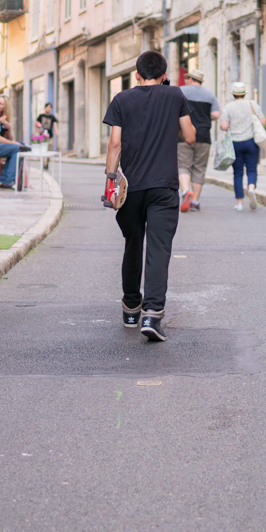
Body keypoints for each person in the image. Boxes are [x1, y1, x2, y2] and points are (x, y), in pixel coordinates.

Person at [103, 50, 196, 341]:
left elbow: (115, 143)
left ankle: (131, 307)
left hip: (131, 187)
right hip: (163, 187)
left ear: (137, 74)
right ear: (164, 75)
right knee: (158, 248)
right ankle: (152, 317)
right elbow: (190, 136)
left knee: (133, 243)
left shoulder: (122, 99)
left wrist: (110, 181)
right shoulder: (175, 95)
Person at [176, 70, 221, 212]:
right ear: (200, 81)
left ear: (190, 79)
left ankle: (185, 192)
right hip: (203, 137)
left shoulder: (180, 91)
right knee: (199, 168)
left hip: (183, 136)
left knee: (183, 165)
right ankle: (195, 201)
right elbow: (216, 114)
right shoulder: (210, 95)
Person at [221, 80, 266, 212]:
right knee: (252, 169)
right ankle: (251, 188)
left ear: (233, 94)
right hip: (251, 141)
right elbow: (262, 121)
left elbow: (224, 126)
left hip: (236, 144)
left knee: (238, 173)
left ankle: (239, 203)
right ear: (244, 93)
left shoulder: (229, 107)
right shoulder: (252, 104)